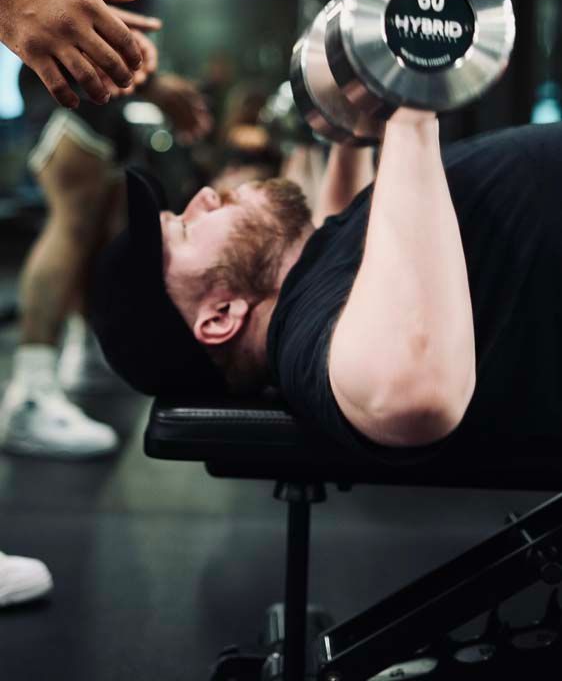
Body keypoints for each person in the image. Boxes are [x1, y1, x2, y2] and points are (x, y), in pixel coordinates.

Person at [92, 115, 562, 466]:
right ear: (221, 316)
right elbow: (409, 396)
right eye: (187, 230)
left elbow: (353, 247)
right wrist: (410, 110)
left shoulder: (310, 281)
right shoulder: (300, 335)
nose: (205, 198)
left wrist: (351, 129)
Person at [0, 0, 211, 462]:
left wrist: (152, 79)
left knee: (106, 222)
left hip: (96, 105)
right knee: (72, 221)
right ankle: (29, 392)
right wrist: (157, 84)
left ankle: (82, 355)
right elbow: (58, 15)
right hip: (66, 103)